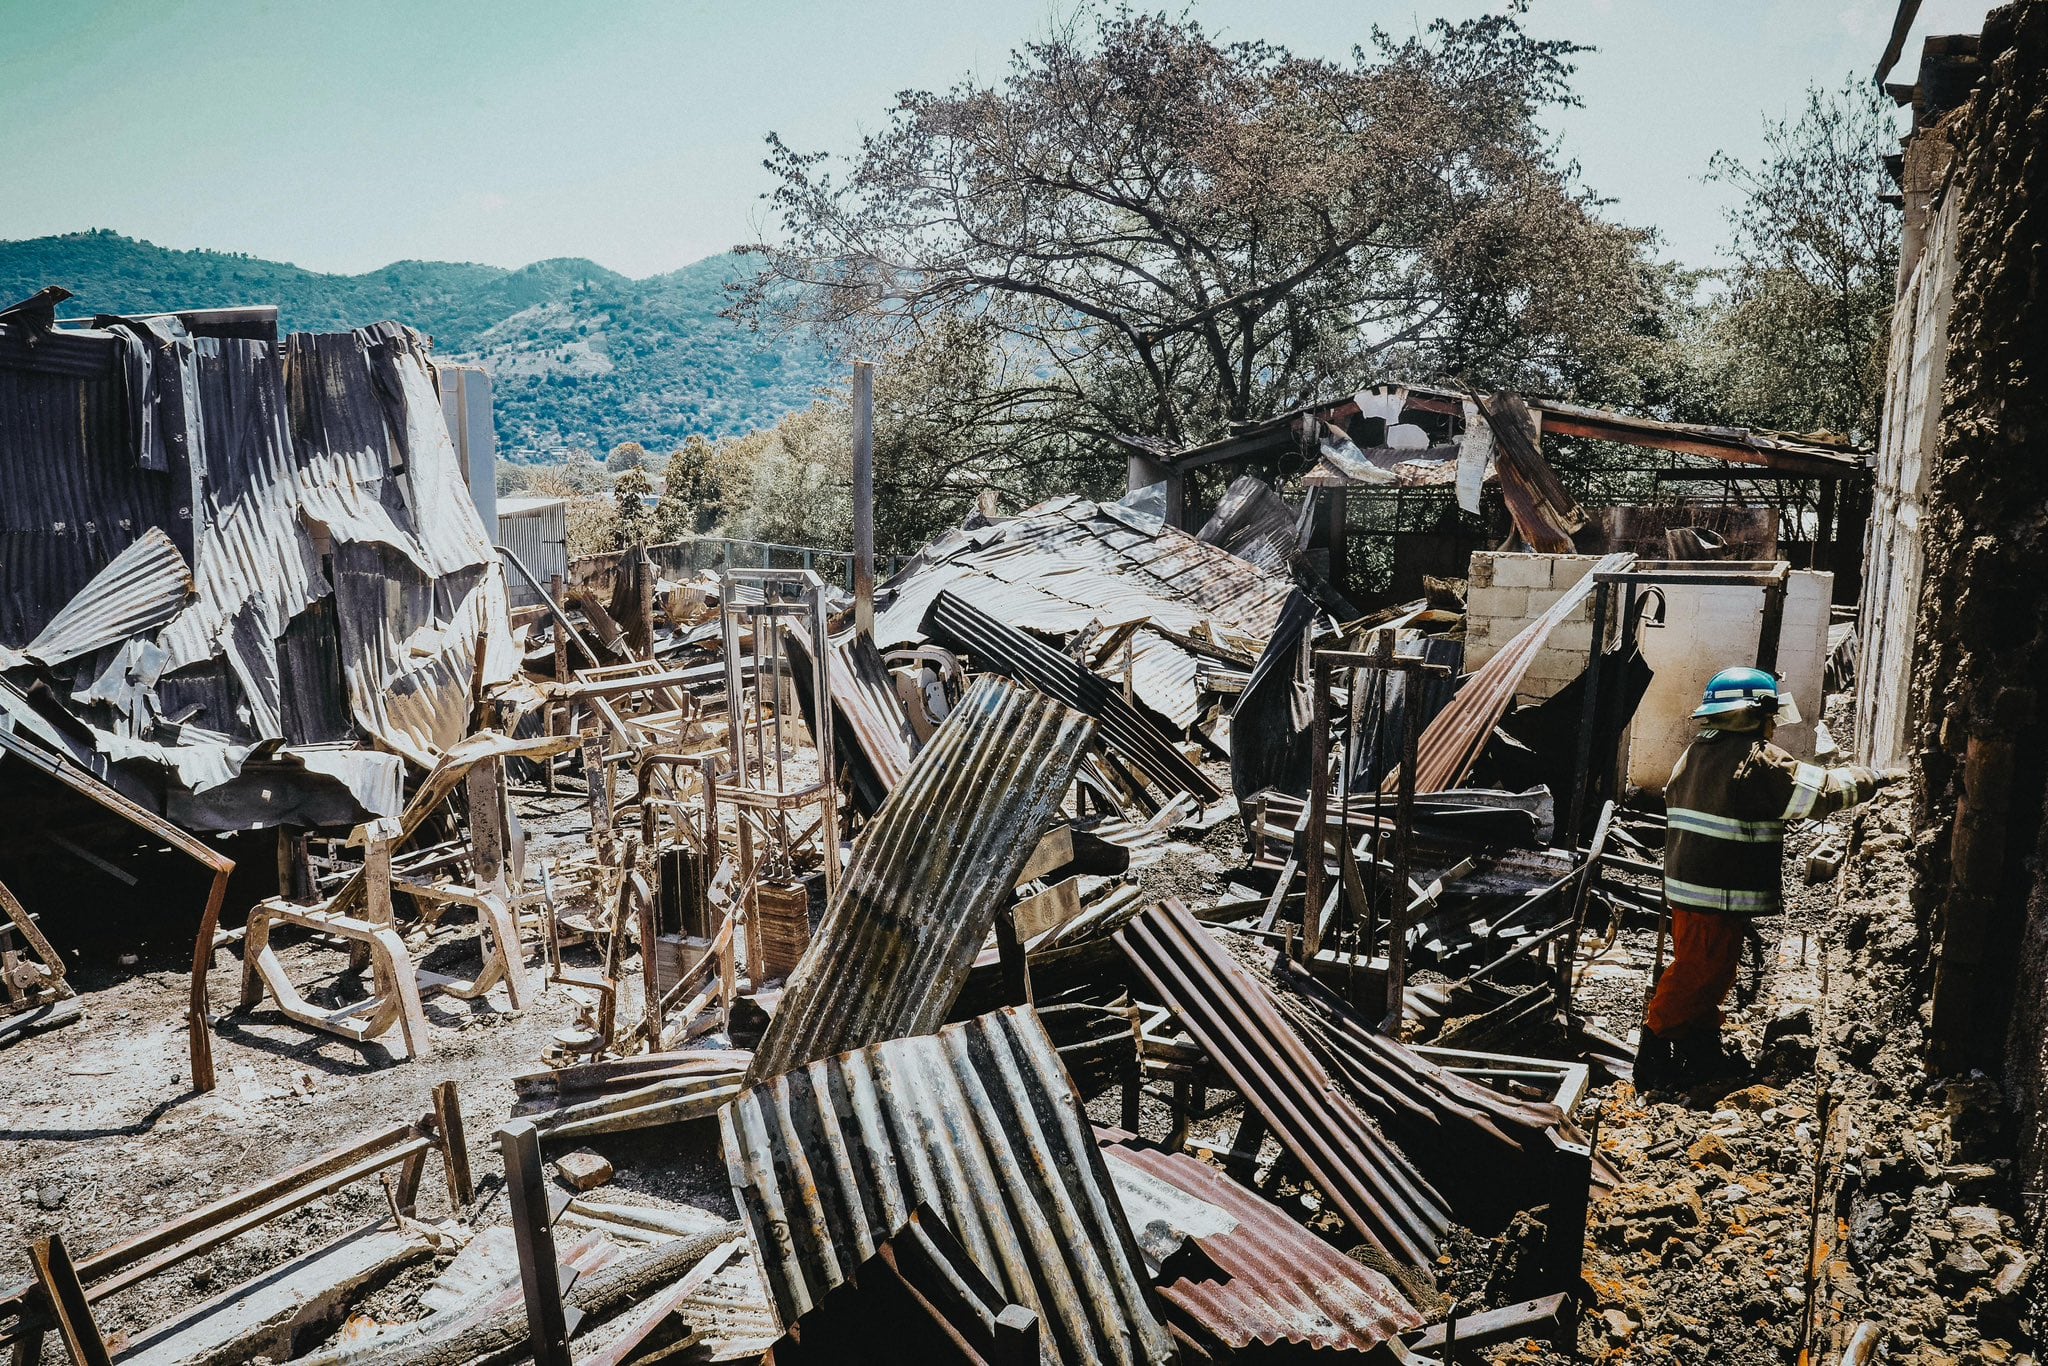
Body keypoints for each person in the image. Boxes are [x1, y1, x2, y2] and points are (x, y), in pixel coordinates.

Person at [1635, 667, 1889, 1084]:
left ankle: (1700, 1053)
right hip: (1714, 891)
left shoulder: (1699, 750)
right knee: (1696, 974)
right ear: (1752, 714)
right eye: (1769, 716)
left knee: (1711, 973)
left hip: (1695, 888)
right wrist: (1875, 778)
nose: (1773, 725)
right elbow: (1821, 793)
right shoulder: (1756, 759)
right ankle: (1655, 1058)